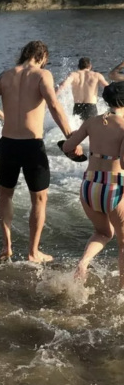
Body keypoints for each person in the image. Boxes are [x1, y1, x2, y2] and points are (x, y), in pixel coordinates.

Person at [0, 41, 78, 263]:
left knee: (5, 195)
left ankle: (6, 247)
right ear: (43, 56)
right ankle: (33, 252)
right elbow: (54, 105)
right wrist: (71, 137)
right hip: (31, 146)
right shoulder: (42, 75)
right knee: (39, 199)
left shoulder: (5, 75)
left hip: (7, 144)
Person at [61, 82, 124, 286]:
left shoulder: (91, 121)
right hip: (114, 187)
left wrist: (80, 151)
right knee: (122, 244)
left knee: (104, 232)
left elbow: (68, 146)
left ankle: (83, 263)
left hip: (89, 186)